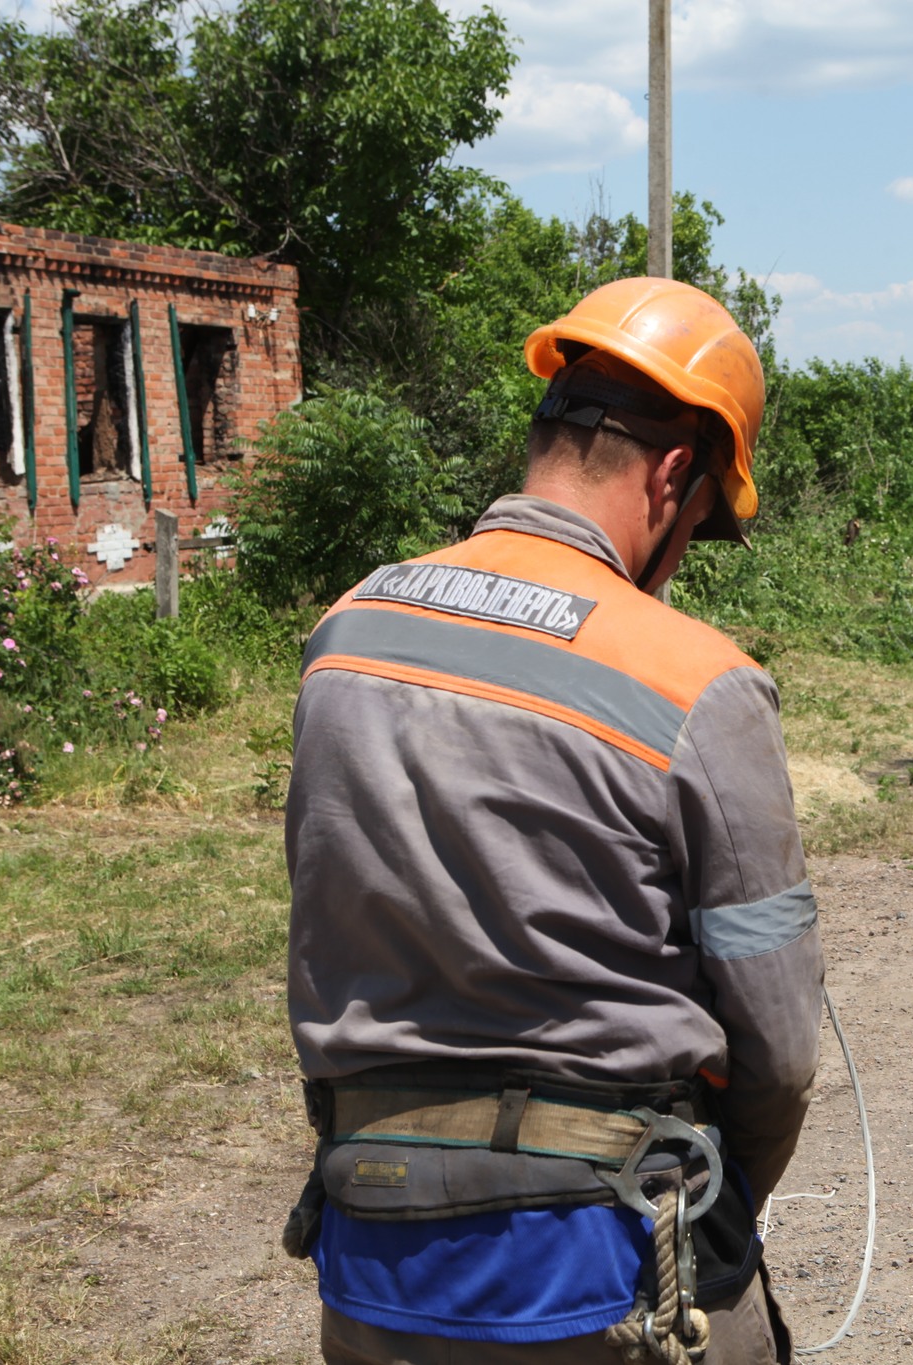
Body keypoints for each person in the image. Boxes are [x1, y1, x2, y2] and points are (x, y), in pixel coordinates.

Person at [280, 277, 822, 1365]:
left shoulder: (345, 631)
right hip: (608, 1272)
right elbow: (779, 1048)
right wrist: (728, 1202)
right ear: (677, 476)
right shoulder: (696, 682)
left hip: (379, 1255)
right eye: (705, 519)